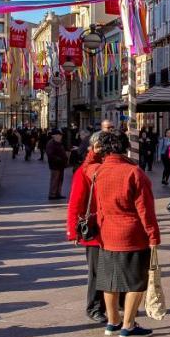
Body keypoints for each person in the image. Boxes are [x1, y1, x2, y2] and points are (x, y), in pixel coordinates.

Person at [84, 130, 160, 337]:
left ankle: (112, 322)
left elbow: (86, 167)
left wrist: (93, 152)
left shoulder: (97, 171)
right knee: (137, 282)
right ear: (125, 148)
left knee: (109, 281)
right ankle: (128, 325)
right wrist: (153, 235)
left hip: (107, 234)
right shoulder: (133, 172)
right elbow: (145, 209)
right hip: (132, 234)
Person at [67, 132, 113, 323]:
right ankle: (94, 307)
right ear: (91, 148)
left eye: (105, 146)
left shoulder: (116, 167)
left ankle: (116, 303)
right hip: (94, 228)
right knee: (96, 270)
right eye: (98, 146)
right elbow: (76, 202)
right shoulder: (84, 171)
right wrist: (73, 230)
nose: (102, 150)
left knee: (113, 268)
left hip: (113, 226)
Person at [45, 130, 69, 200]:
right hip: (55, 165)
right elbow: (50, 154)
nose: (60, 136)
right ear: (54, 136)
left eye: (61, 135)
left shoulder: (59, 143)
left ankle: (58, 193)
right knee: (55, 180)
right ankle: (52, 194)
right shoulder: (51, 143)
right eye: (59, 135)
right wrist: (59, 159)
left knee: (60, 180)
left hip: (61, 164)